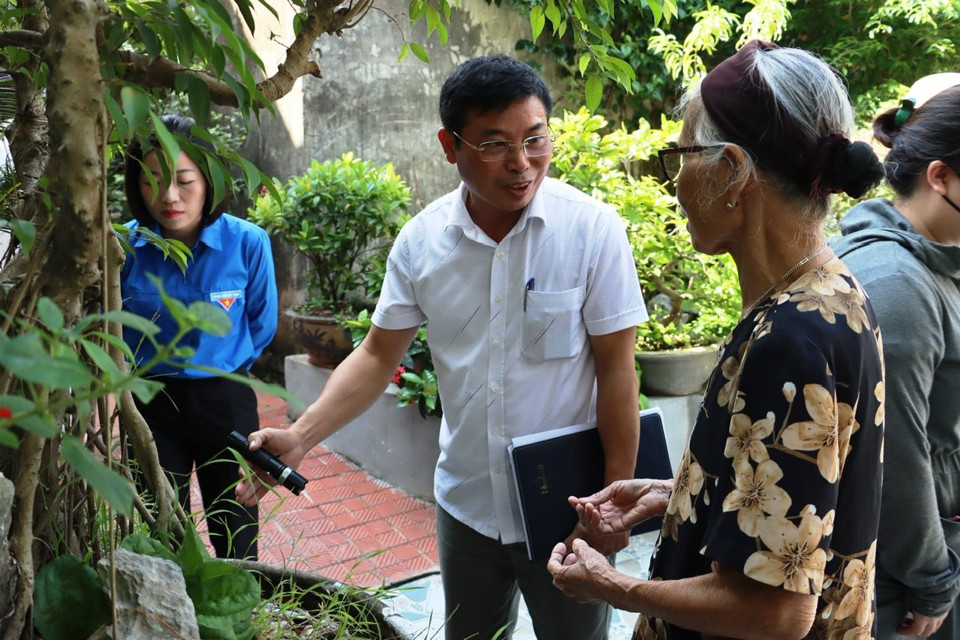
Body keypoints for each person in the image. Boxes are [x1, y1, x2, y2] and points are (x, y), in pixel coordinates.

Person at [237, 54, 647, 639]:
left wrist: (611, 501)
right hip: (467, 506)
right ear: (449, 146)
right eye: (494, 144)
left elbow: (616, 370)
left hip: (568, 506)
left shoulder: (592, 229)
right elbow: (380, 355)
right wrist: (299, 437)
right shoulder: (423, 243)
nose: (521, 163)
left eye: (535, 139)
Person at [546, 41, 887, 640]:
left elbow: (775, 611)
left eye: (682, 154)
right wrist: (677, 492)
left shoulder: (791, 338)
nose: (677, 180)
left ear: (731, 171)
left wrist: (609, 585)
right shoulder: (830, 292)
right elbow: (807, 510)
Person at [831, 74, 960, 639]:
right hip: (897, 581)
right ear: (941, 177)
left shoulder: (932, 261)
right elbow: (897, 452)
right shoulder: (898, 282)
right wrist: (932, 580)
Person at [120, 114, 278, 560]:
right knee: (161, 526)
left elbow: (262, 325)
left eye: (184, 181)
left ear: (208, 180)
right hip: (151, 402)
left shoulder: (248, 242)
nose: (168, 196)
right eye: (152, 181)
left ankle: (237, 623)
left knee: (236, 522)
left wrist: (225, 364)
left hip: (225, 400)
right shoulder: (124, 248)